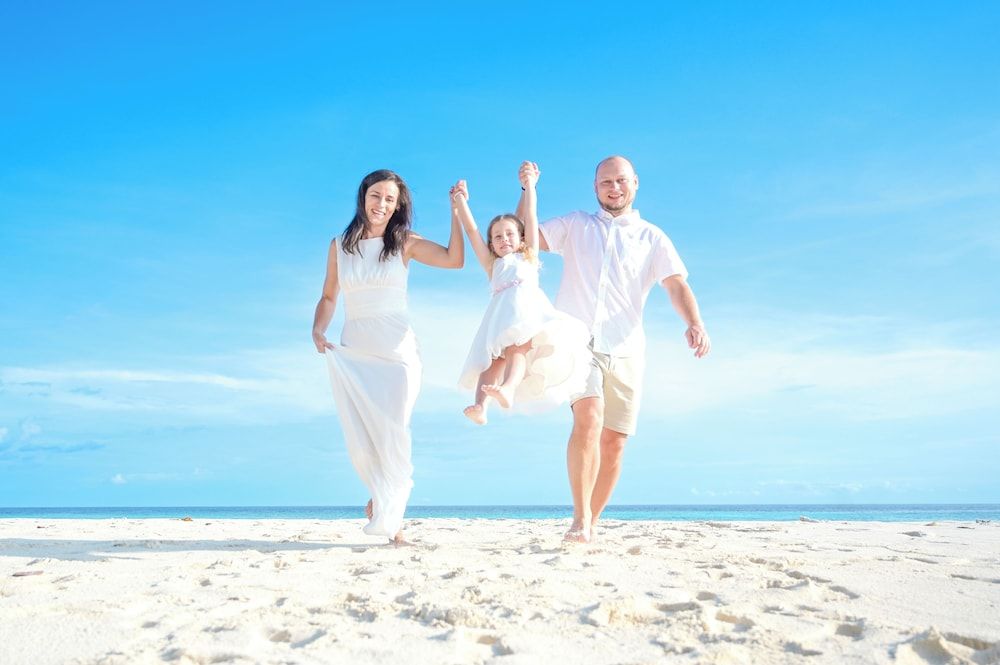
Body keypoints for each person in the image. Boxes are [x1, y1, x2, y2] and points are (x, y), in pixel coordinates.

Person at [518, 156, 711, 543]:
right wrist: (528, 190)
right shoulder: (576, 225)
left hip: (626, 347)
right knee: (588, 419)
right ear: (595, 187)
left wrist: (695, 322)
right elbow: (526, 237)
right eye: (606, 182)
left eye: (621, 180)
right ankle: (579, 519)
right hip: (577, 341)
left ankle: (592, 520)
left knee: (615, 441)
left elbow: (676, 284)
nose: (614, 188)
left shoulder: (652, 237)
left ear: (635, 183)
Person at [312, 169, 463, 544]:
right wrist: (318, 329)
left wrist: (456, 211)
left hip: (397, 351)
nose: (381, 204)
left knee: (394, 430)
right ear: (363, 197)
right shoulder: (339, 246)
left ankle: (392, 518)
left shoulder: (404, 242)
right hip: (356, 348)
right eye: (376, 195)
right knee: (365, 432)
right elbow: (329, 296)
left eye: (390, 199)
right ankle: (382, 497)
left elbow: (454, 259)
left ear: (398, 206)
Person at [454, 173, 589, 425]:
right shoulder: (492, 264)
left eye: (510, 234)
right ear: (491, 244)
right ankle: (480, 406)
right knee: (492, 361)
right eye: (497, 236)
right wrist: (461, 201)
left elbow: (531, 216)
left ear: (521, 237)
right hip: (499, 315)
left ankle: (508, 388)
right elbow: (472, 231)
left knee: (517, 348)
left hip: (526, 310)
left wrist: (529, 186)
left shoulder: (529, 256)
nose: (504, 239)